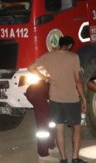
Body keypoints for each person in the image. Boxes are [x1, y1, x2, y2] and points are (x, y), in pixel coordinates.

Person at [28, 35, 87, 163]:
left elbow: (31, 68)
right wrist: (83, 98)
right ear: (70, 46)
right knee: (77, 127)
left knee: (59, 129)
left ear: (59, 44)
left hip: (55, 98)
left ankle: (63, 158)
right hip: (71, 98)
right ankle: (75, 158)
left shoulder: (48, 56)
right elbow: (78, 80)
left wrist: (45, 78)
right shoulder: (74, 57)